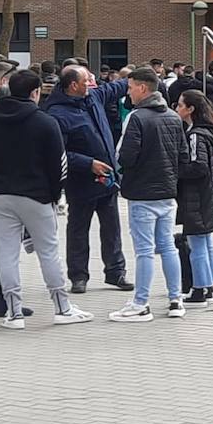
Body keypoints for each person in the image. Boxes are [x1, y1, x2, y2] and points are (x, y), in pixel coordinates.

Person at [0, 70, 94, 329]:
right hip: (37, 195)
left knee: (5, 254)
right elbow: (58, 163)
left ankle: (13, 312)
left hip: (1, 196)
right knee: (48, 252)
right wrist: (54, 194)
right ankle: (62, 307)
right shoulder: (44, 122)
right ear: (35, 92)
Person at [109, 67, 189, 323]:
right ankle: (175, 299)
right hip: (167, 191)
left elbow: (125, 156)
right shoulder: (173, 117)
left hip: (142, 192)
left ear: (142, 88)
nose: (128, 92)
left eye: (130, 87)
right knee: (167, 247)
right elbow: (183, 155)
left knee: (144, 250)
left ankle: (140, 303)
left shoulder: (136, 117)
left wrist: (125, 172)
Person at [46, 65, 134, 294]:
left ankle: (116, 272)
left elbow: (116, 88)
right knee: (78, 228)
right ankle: (78, 276)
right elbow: (58, 152)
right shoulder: (56, 114)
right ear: (73, 85)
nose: (91, 83)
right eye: (87, 80)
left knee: (112, 228)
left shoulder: (93, 96)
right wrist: (88, 164)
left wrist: (137, 78)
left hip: (107, 179)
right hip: (81, 182)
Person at [175, 89, 213, 306]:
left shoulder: (196, 135)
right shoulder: (208, 132)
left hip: (196, 197)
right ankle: (208, 283)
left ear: (190, 109)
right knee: (204, 241)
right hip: (206, 195)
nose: (176, 108)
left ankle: (199, 289)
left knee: (196, 242)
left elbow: (198, 166)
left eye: (179, 105)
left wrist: (177, 169)